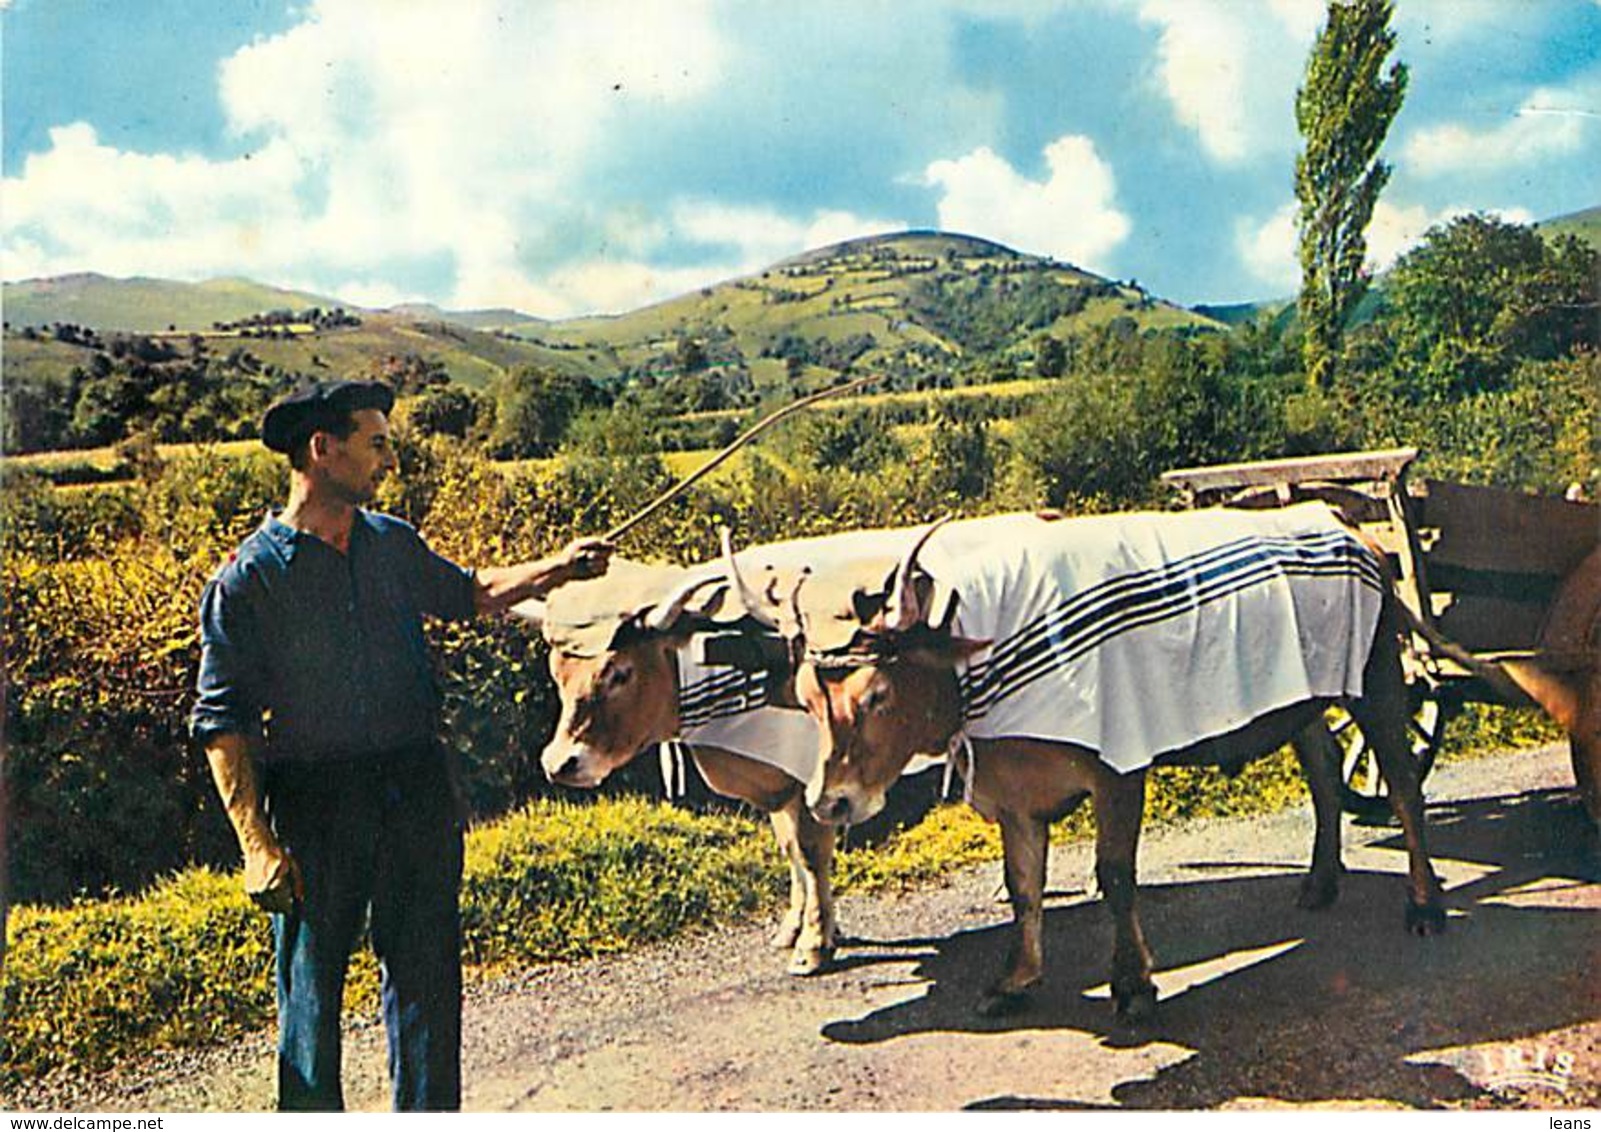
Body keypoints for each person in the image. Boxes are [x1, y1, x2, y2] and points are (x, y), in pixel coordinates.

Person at [190, 380, 611, 1111]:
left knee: (425, 980)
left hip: (415, 789)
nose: (390, 459)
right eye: (377, 442)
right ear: (323, 450)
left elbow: (472, 592)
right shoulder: (248, 579)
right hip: (317, 802)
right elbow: (222, 723)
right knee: (312, 990)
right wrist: (257, 846)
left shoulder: (391, 543)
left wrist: (560, 567)